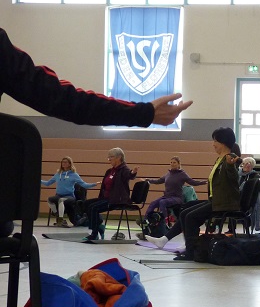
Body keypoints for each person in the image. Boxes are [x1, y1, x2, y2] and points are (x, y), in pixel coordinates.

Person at [0, 26, 192, 238]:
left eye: (111, 157)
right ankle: (94, 230)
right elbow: (60, 98)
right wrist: (142, 113)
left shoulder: (120, 170)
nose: (109, 159)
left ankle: (94, 230)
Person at [145, 127, 240, 260]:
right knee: (185, 211)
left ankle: (191, 252)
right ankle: (176, 243)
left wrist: (231, 166)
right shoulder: (219, 159)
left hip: (224, 203)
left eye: (215, 141)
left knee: (191, 217)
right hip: (215, 200)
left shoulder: (231, 159)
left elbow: (234, 179)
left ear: (223, 142)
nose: (213, 144)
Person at [80, 148, 138, 241]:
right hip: (106, 198)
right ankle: (99, 226)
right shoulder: (110, 171)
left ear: (119, 157)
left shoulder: (124, 169)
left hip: (116, 200)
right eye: (108, 157)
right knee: (86, 204)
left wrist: (133, 172)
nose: (109, 159)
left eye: (111, 157)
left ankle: (94, 234)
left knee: (94, 208)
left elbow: (129, 175)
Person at [40, 156, 97, 227]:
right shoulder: (58, 174)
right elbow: (48, 183)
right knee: (50, 199)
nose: (63, 164)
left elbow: (84, 184)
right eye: (62, 162)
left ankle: (60, 220)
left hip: (69, 196)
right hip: (59, 195)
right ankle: (57, 215)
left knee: (61, 200)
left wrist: (94, 184)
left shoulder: (74, 175)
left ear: (70, 164)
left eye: (65, 162)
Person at [237, 157, 260, 233]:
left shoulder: (255, 175)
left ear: (252, 166)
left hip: (248, 199)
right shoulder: (238, 174)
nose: (247, 165)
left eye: (249, 164)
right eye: (245, 163)